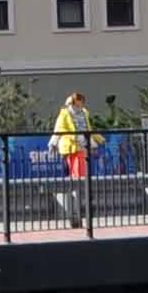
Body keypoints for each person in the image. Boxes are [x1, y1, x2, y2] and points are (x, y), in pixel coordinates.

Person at [50, 88, 94, 223]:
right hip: (71, 147)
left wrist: (92, 144)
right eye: (79, 102)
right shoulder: (65, 113)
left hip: (82, 147)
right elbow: (58, 128)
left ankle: (79, 209)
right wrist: (53, 143)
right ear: (73, 102)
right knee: (77, 178)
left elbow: (87, 128)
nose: (81, 105)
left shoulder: (84, 113)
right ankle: (76, 211)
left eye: (82, 102)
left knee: (80, 177)